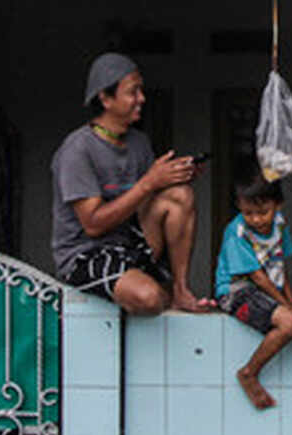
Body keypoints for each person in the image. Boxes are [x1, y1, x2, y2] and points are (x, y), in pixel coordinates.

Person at [51, 52, 212, 313]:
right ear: (105, 98)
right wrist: (149, 183)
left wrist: (173, 177)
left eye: (141, 91)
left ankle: (181, 290)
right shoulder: (77, 149)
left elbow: (146, 201)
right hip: (86, 254)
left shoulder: (139, 142)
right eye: (132, 92)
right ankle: (158, 291)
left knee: (179, 194)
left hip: (128, 243)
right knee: (150, 298)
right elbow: (93, 224)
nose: (142, 99)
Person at [215, 170, 292, 410]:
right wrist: (286, 306)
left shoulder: (280, 225)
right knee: (289, 323)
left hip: (265, 290)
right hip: (236, 291)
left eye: (263, 212)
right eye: (248, 213)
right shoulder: (237, 232)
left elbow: (280, 267)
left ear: (278, 205)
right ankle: (249, 372)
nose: (256, 219)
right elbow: (258, 278)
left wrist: (291, 301)